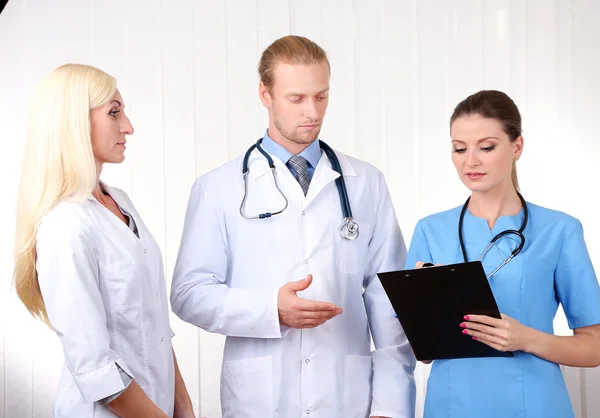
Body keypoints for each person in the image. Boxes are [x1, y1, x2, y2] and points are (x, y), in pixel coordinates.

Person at [170, 35, 416, 418]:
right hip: (260, 397)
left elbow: (389, 299)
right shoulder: (217, 188)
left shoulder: (365, 182)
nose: (312, 112)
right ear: (265, 95)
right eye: (296, 99)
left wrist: (389, 405)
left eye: (321, 96)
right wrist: (269, 309)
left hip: (347, 397)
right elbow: (188, 293)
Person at [13, 64, 194, 418]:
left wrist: (183, 406)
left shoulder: (120, 201)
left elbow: (153, 325)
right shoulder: (65, 224)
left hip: (158, 405)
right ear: (75, 122)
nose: (128, 126)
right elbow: (95, 370)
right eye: (114, 112)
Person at [406, 89, 600, 418]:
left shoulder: (559, 230)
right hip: (452, 405)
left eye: (486, 147)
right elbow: (421, 352)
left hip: (535, 405)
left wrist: (526, 339)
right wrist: (426, 321)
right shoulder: (430, 230)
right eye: (459, 148)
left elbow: (593, 346)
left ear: (517, 147)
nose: (471, 161)